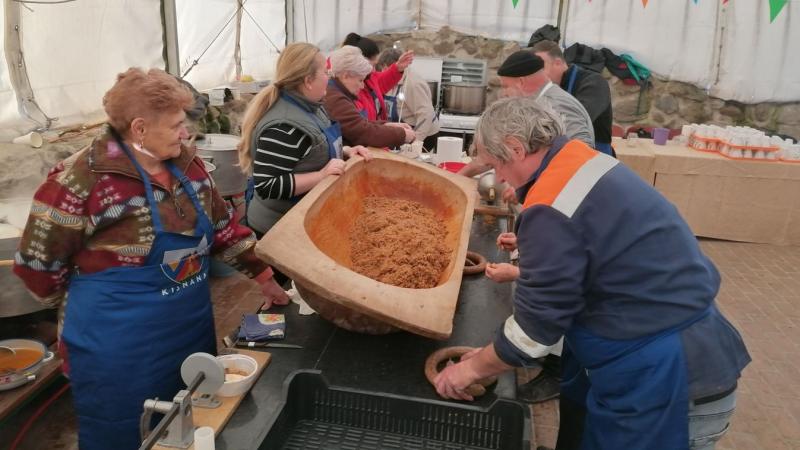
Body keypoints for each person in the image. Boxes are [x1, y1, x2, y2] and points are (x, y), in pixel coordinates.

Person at [435, 97, 750, 450]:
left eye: (497, 165)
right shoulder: (580, 159)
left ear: (515, 147)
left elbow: (535, 330)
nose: (501, 177)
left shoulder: (552, 202)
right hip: (679, 342)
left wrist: (472, 370)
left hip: (667, 379)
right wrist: (489, 352)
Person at [12, 68, 286, 449]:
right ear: (139, 128)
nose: (185, 133)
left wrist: (265, 276)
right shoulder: (80, 181)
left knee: (192, 422)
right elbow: (38, 269)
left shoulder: (186, 166)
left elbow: (224, 229)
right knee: (126, 434)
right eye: (176, 125)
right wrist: (85, 303)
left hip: (188, 332)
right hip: (116, 349)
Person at [238, 42, 371, 241]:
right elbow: (267, 184)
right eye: (326, 72)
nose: (329, 78)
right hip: (278, 228)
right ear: (308, 80)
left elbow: (311, 152)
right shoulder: (285, 126)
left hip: (302, 217)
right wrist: (321, 175)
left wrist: (347, 151)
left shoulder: (312, 107)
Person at [458, 50, 594, 178]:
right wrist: (459, 176)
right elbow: (498, 152)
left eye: (505, 86)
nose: (503, 94)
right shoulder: (534, 104)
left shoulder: (556, 104)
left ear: (521, 82)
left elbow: (583, 151)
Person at [532, 40, 614, 156]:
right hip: (559, 152)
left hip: (594, 155)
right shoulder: (547, 88)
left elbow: (577, 119)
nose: (538, 75)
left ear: (558, 63)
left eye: (541, 68)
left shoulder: (594, 83)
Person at [324, 45, 415, 148]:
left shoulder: (339, 91)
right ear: (346, 75)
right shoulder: (336, 99)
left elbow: (360, 123)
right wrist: (402, 135)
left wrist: (386, 125)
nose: (362, 85)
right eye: (360, 80)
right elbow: (362, 132)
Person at [341, 32, 414, 122]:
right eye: (373, 65)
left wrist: (398, 67)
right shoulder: (346, 91)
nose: (374, 70)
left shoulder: (369, 77)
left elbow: (382, 80)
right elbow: (361, 126)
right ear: (361, 61)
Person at [377, 48, 440, 146]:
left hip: (422, 134)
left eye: (385, 69)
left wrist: (416, 141)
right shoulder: (390, 81)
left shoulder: (413, 84)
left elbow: (425, 115)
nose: (382, 72)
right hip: (403, 131)